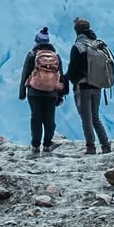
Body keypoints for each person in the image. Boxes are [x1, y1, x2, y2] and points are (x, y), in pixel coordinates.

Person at [18, 26, 67, 156]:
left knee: (36, 118)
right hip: (51, 93)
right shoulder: (56, 57)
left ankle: (35, 146)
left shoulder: (32, 55)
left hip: (34, 93)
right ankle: (47, 144)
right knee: (49, 119)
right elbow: (60, 76)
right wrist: (61, 94)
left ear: (36, 41)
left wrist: (22, 93)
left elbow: (25, 74)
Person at [68, 16, 113, 154]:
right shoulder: (97, 45)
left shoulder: (78, 47)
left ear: (76, 31)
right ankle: (105, 145)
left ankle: (90, 147)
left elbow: (72, 70)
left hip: (83, 88)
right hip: (97, 86)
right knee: (95, 117)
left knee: (86, 118)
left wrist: (68, 80)